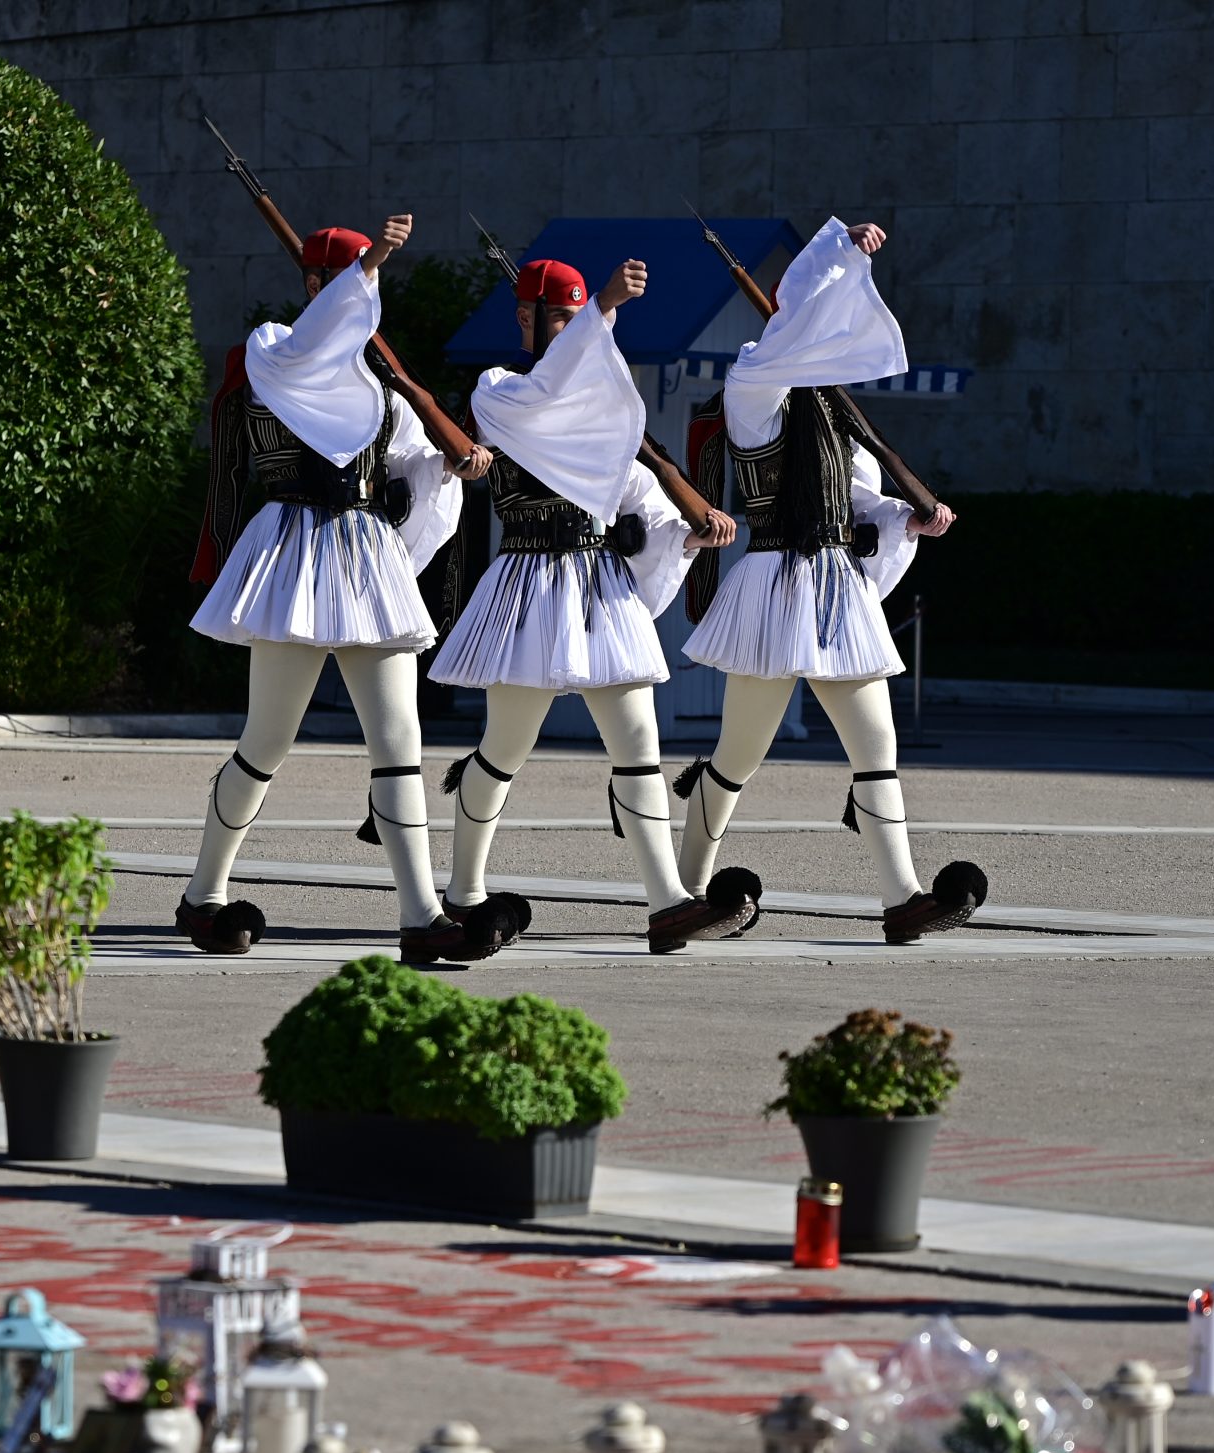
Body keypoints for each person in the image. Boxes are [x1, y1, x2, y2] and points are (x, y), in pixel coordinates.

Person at [178, 216, 498, 963]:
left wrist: (448, 467)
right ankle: (203, 894)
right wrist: (367, 268)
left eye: (374, 279)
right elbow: (306, 357)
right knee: (267, 741)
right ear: (319, 287)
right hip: (296, 553)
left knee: (400, 742)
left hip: (364, 556)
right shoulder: (273, 350)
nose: (369, 290)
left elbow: (410, 468)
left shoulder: (377, 382)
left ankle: (421, 916)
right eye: (359, 278)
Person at [428, 254, 749, 953]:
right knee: (503, 749)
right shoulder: (499, 391)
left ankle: (667, 902)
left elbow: (633, 492)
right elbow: (546, 393)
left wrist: (683, 530)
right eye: (565, 321)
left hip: (597, 578)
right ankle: (462, 889)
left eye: (579, 322)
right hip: (530, 582)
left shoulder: (597, 408)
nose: (581, 335)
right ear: (525, 320)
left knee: (638, 742)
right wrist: (602, 307)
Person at [671, 216, 978, 945]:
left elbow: (863, 499)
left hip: (836, 588)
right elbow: (795, 337)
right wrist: (838, 252)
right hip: (777, 586)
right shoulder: (752, 383)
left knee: (877, 749)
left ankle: (902, 897)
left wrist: (909, 519)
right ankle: (681, 890)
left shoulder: (833, 412)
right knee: (737, 757)